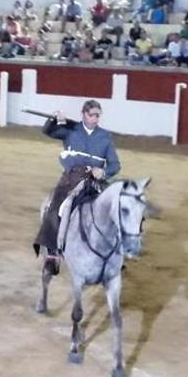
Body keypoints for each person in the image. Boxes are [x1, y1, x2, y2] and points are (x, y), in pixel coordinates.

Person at [34, 100, 121, 269]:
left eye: (97, 116)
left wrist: (104, 172)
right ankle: (52, 253)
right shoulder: (70, 130)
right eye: (92, 115)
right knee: (56, 206)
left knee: (117, 209)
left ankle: (115, 252)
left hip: (96, 181)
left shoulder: (105, 136)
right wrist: (55, 119)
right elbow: (47, 131)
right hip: (72, 178)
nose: (95, 119)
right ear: (83, 114)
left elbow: (115, 165)